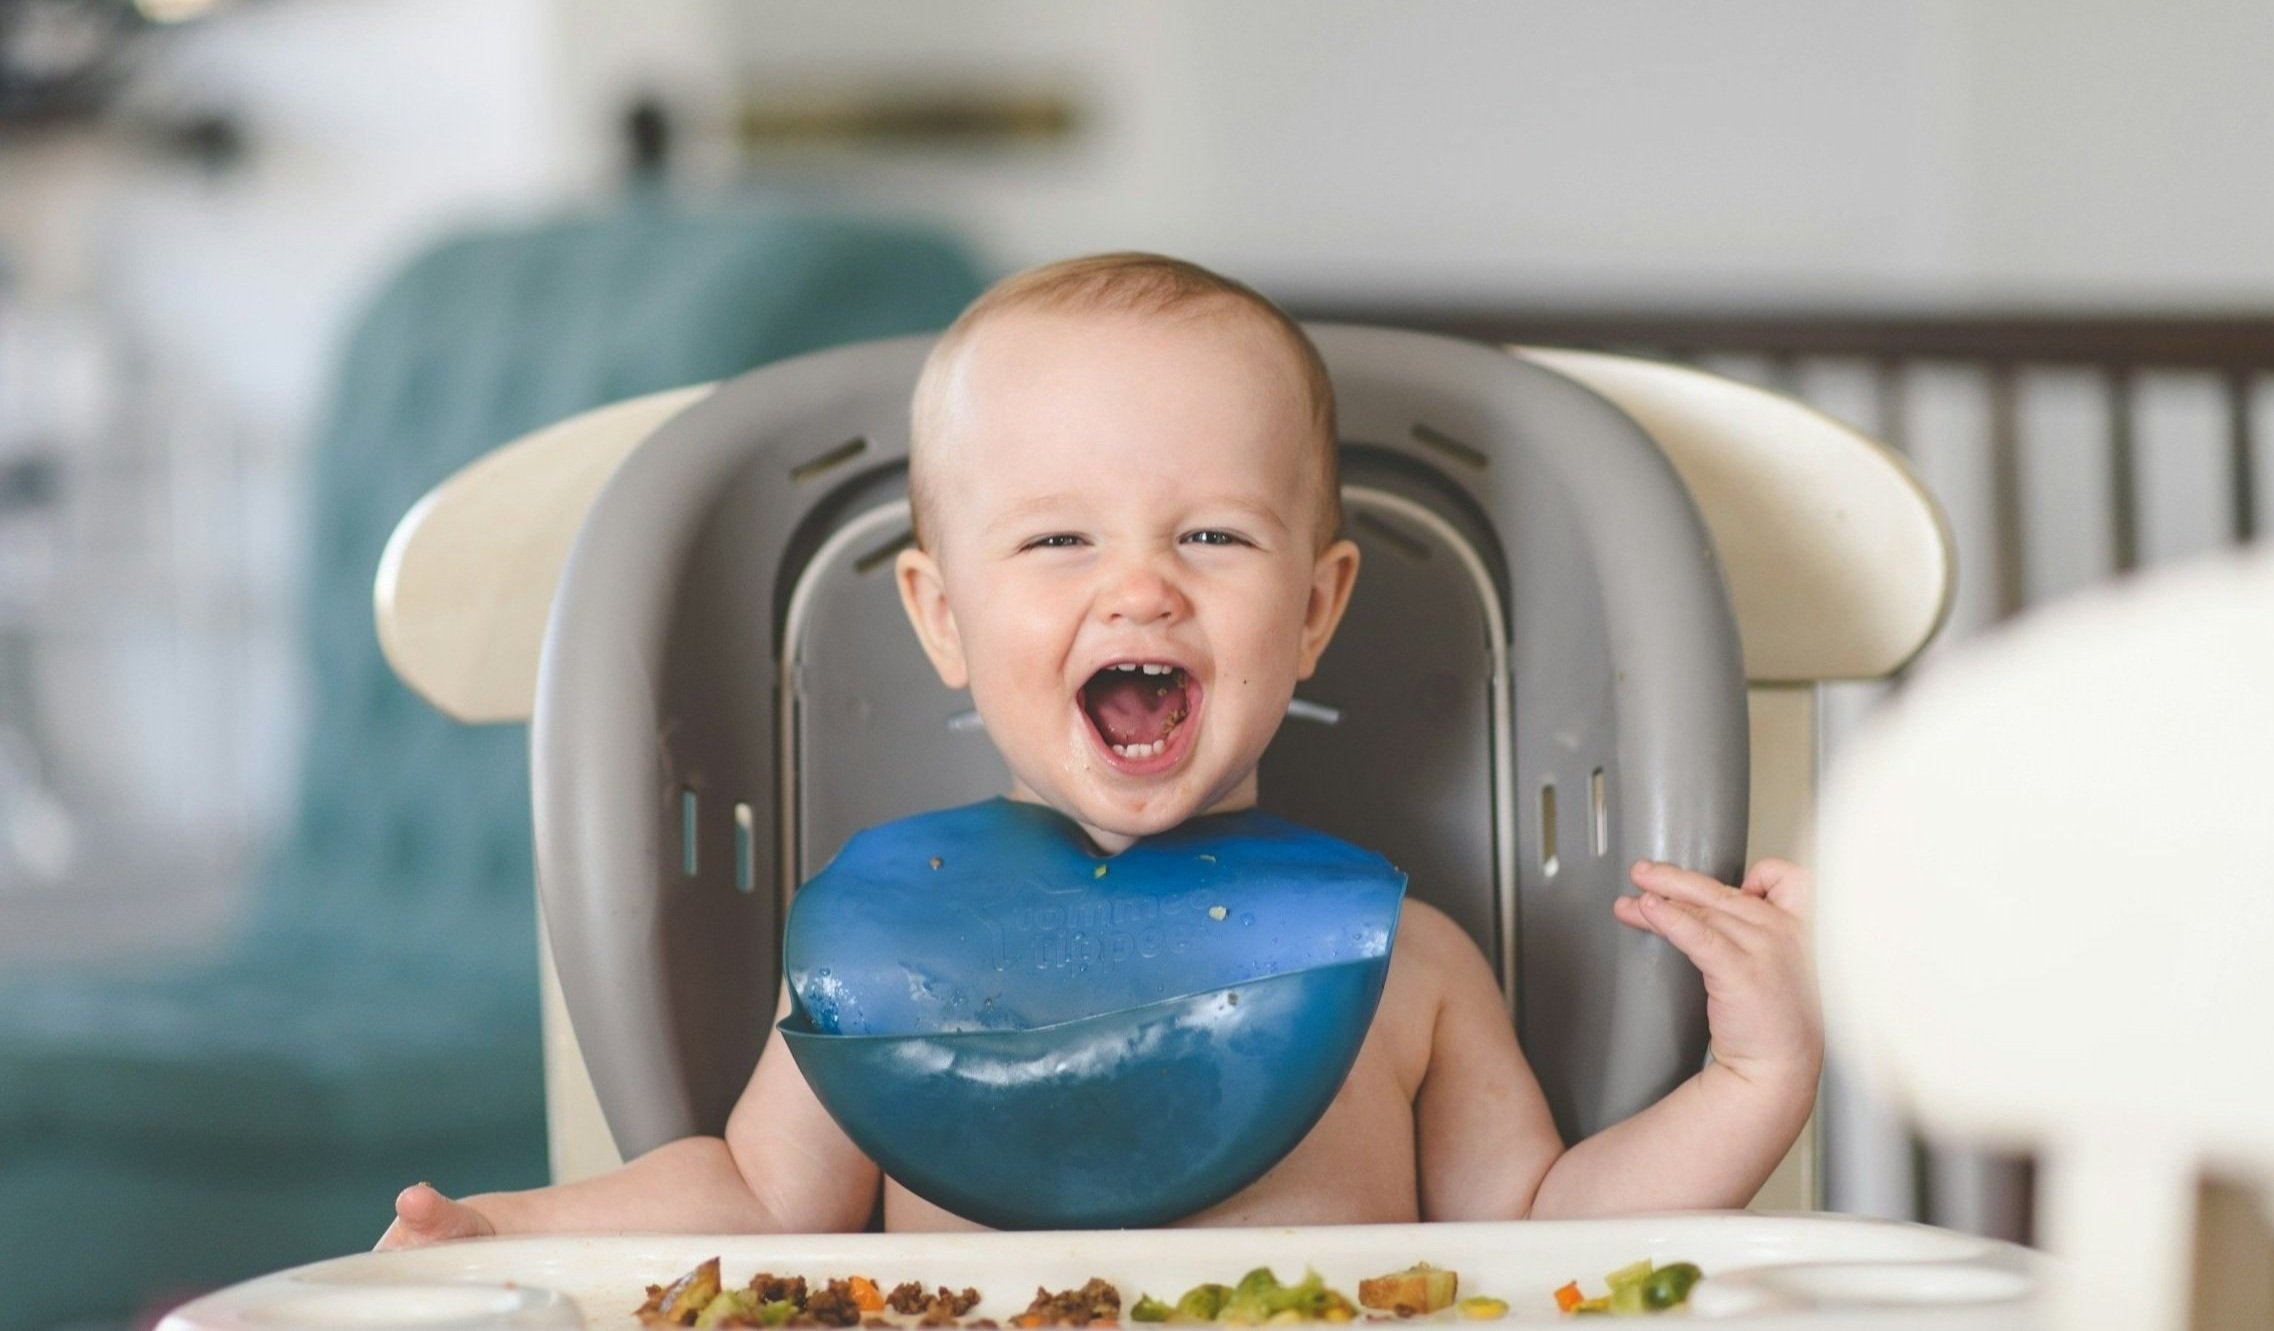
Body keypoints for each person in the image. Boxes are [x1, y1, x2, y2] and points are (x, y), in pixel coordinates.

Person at [379, 253, 1819, 1245]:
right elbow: (758, 1201)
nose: (1140, 587)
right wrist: (509, 1227)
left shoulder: (1406, 965)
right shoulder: (885, 955)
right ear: (941, 620)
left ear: (1315, 609)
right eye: (1059, 540)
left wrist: (1750, 1085)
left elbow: (1536, 1235)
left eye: (1211, 535)